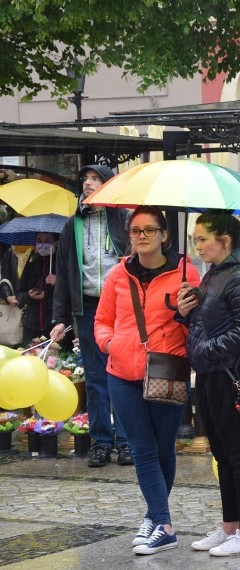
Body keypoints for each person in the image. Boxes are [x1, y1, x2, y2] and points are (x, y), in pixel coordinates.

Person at [93, 206, 201, 555]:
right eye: (136, 230)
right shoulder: (116, 275)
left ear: (165, 235)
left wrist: (186, 314)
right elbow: (102, 321)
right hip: (122, 374)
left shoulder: (187, 274)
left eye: (149, 230)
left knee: (163, 447)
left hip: (168, 369)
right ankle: (164, 524)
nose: (141, 236)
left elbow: (200, 327)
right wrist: (112, 344)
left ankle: (154, 517)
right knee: (141, 449)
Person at [177, 211, 240, 557]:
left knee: (239, 454)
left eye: (202, 239)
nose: (197, 246)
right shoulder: (213, 274)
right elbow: (206, 321)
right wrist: (183, 308)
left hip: (229, 375)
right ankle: (230, 526)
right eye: (195, 239)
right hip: (210, 373)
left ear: (224, 241)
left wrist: (206, 350)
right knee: (221, 453)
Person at [50, 165, 132, 468]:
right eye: (85, 179)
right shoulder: (73, 226)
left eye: (95, 179)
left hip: (121, 307)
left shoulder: (124, 220)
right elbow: (64, 274)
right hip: (87, 309)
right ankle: (100, 443)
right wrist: (59, 317)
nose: (88, 183)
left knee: (122, 375)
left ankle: (126, 442)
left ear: (108, 185)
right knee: (96, 379)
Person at [16, 232, 59, 342]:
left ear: (55, 242)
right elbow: (19, 293)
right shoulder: (31, 265)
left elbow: (74, 292)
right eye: (39, 241)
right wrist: (29, 296)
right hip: (31, 326)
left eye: (47, 241)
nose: (42, 244)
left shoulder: (63, 264)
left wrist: (58, 281)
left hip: (56, 327)